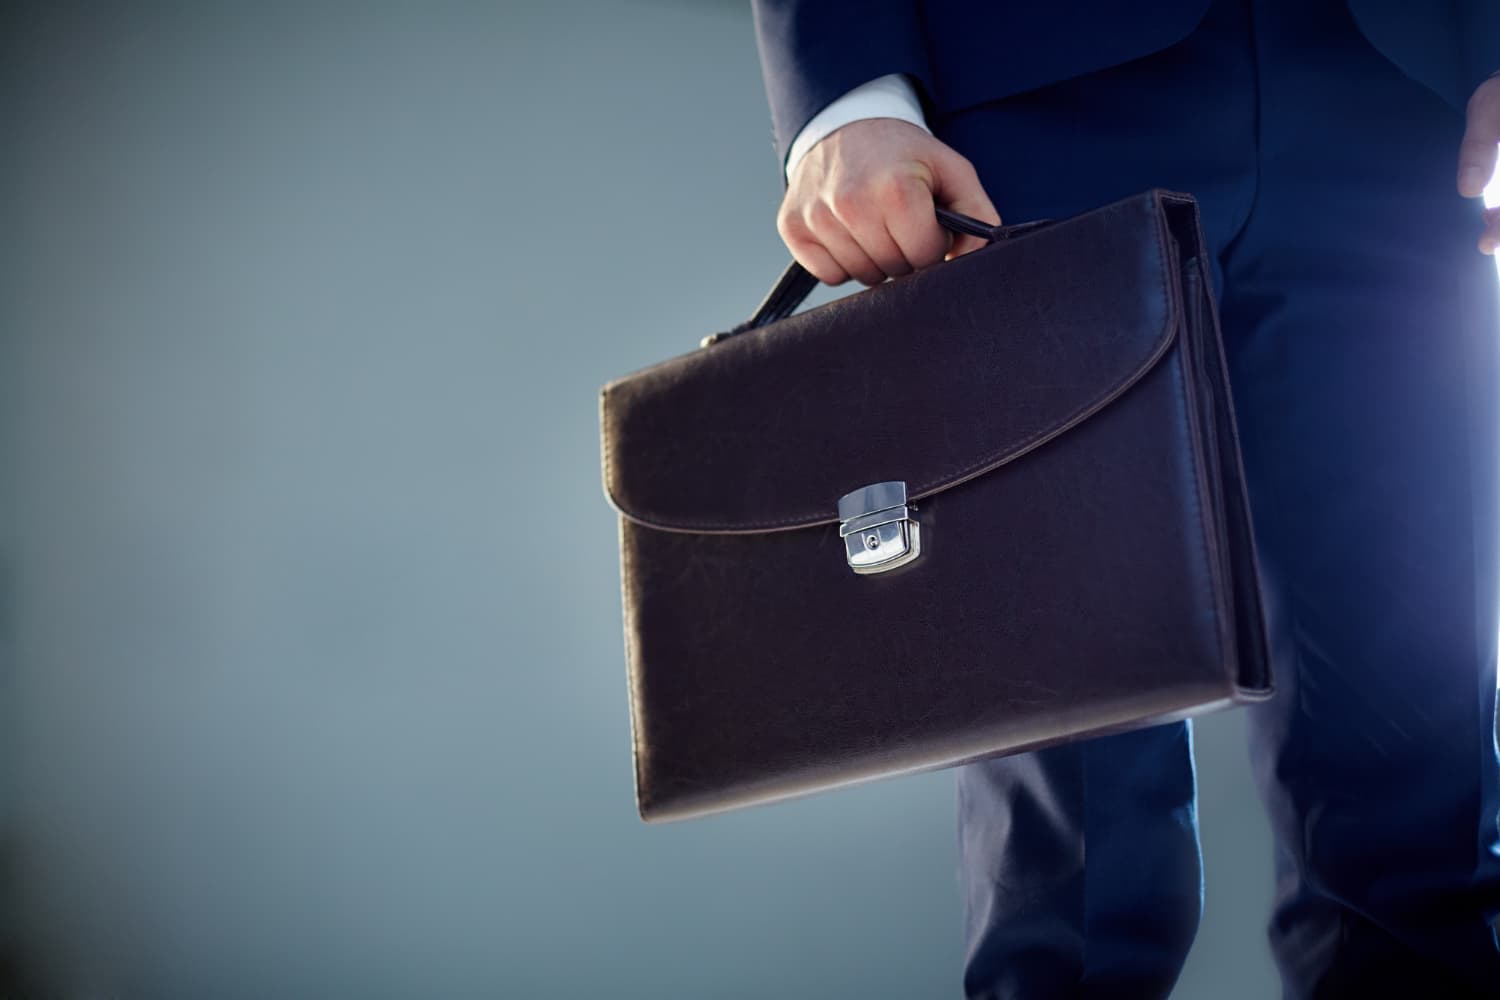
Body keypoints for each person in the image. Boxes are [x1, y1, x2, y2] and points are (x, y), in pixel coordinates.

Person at [749, 1, 1500, 996]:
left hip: (1400, 95)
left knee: (1420, 808)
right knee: (1077, 866)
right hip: (1039, 102)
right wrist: (846, 93)